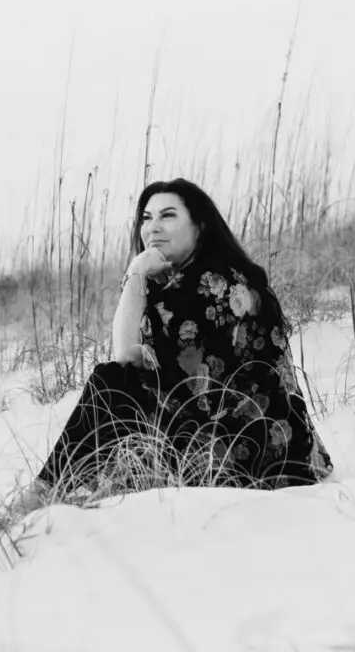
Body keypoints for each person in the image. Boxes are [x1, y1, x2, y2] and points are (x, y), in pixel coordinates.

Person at [32, 178, 334, 496]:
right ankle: (57, 487)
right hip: (256, 441)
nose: (153, 228)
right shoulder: (194, 277)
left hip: (247, 451)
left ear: (200, 227)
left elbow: (125, 358)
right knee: (114, 386)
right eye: (146, 218)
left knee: (111, 383)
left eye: (168, 215)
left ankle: (47, 490)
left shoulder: (211, 281)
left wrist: (135, 273)